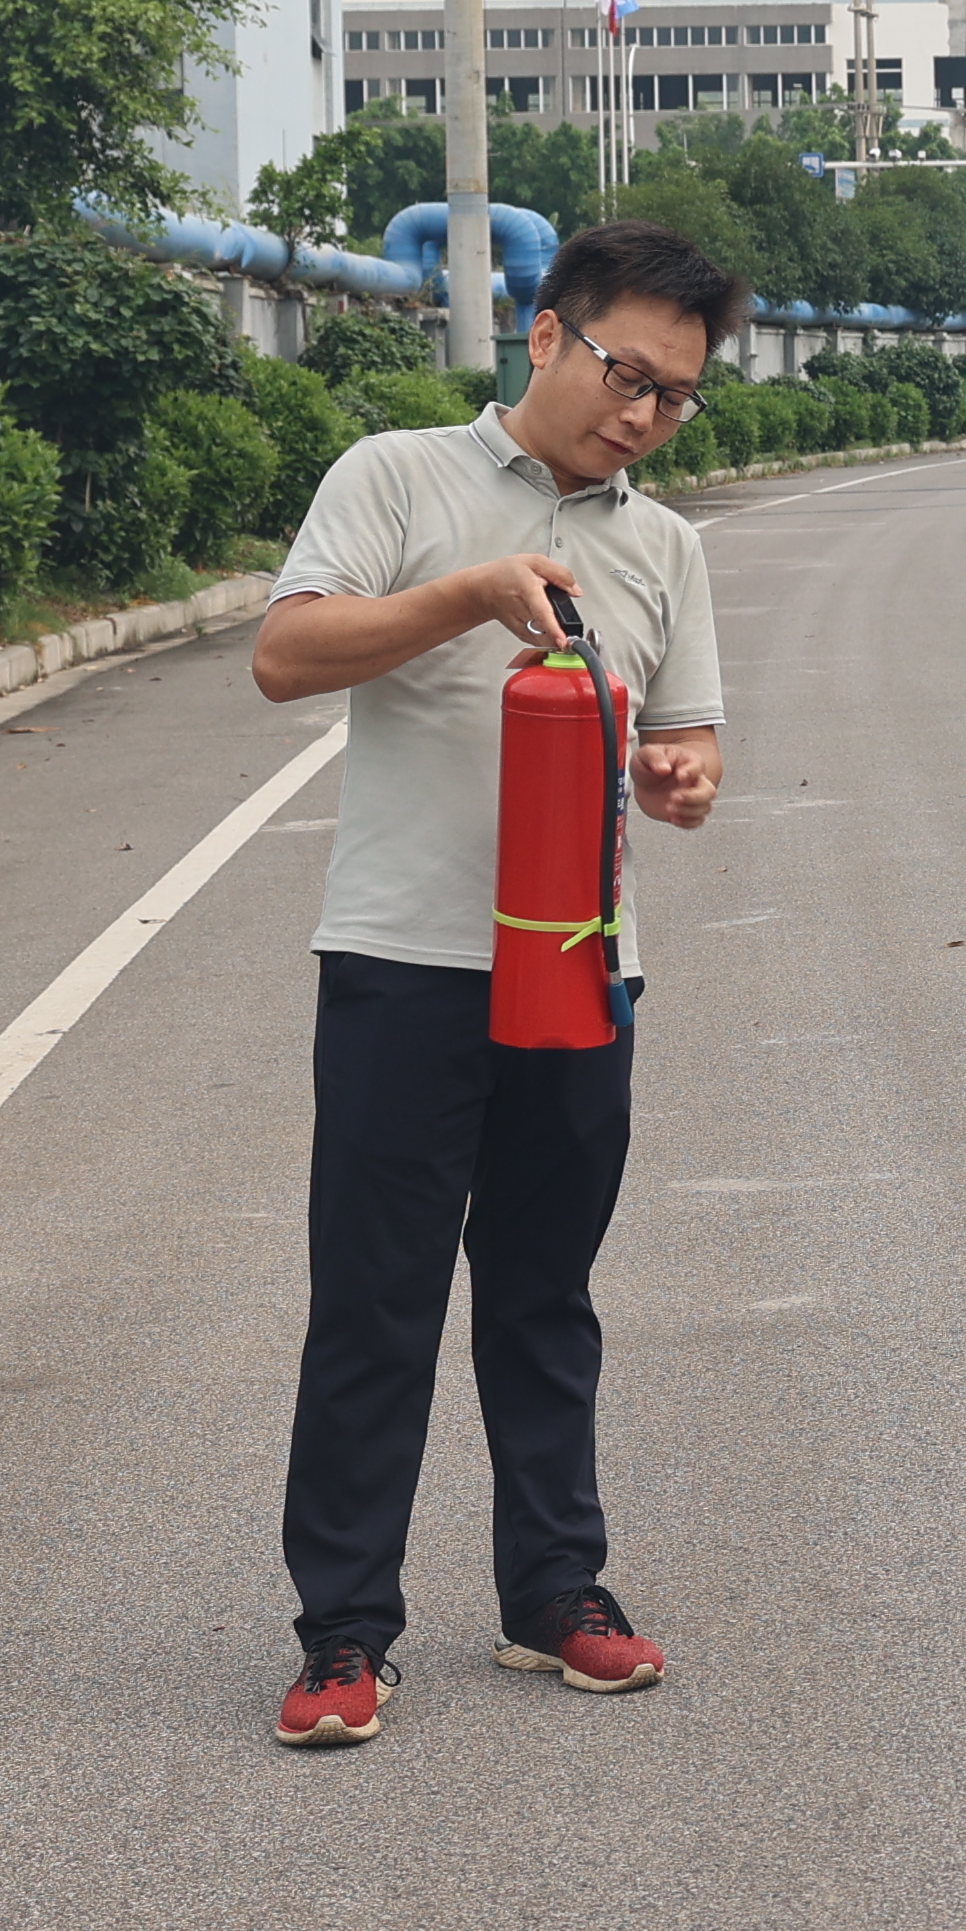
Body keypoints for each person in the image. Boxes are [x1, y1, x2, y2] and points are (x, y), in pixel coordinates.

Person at [251, 215, 738, 1748]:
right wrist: (465, 593)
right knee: (376, 1304)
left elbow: (692, 739)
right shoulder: (397, 479)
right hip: (405, 963)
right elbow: (285, 654)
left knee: (544, 1295)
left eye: (673, 395)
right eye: (624, 372)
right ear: (545, 335)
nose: (642, 413)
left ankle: (554, 1592)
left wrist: (679, 773)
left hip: (586, 973)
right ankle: (345, 1631)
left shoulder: (667, 548)